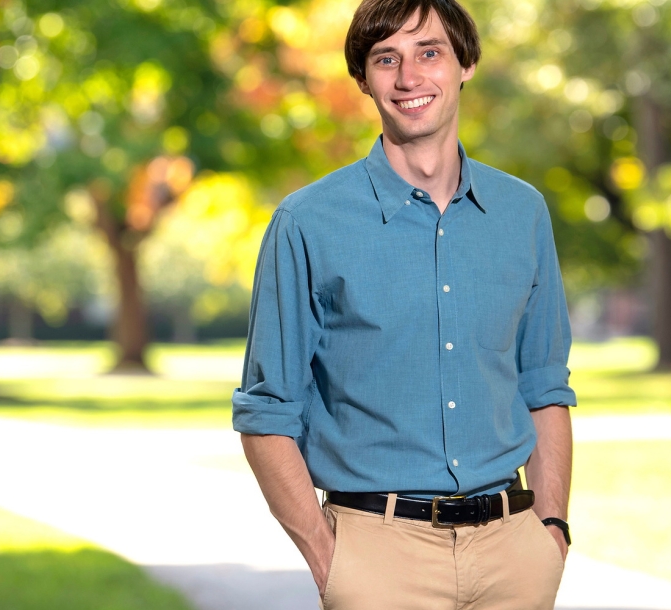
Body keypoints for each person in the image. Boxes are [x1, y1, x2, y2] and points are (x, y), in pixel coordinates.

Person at [232, 0, 576, 607]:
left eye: (429, 52)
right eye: (386, 58)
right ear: (364, 80)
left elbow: (543, 384)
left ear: (464, 64)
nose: (409, 77)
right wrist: (327, 557)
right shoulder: (307, 223)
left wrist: (552, 531)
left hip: (514, 555)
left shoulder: (522, 213)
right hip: (376, 560)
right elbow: (266, 412)